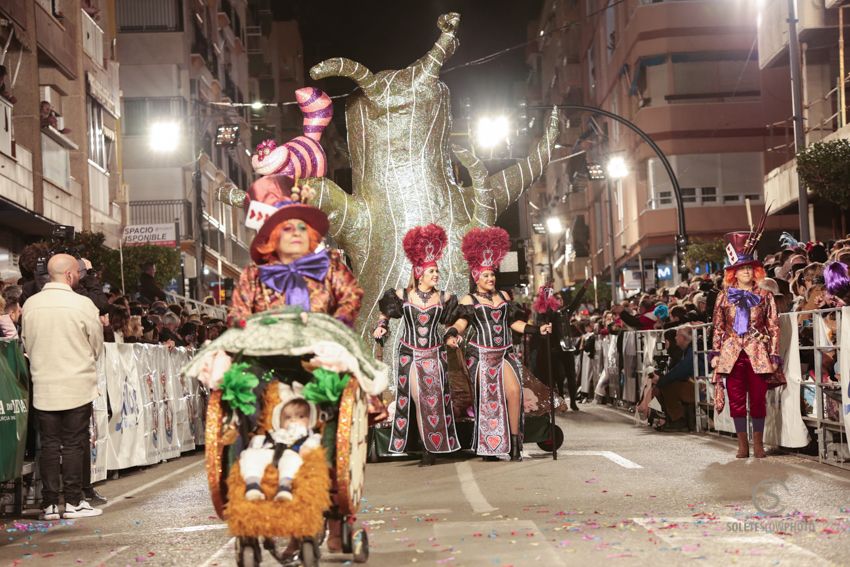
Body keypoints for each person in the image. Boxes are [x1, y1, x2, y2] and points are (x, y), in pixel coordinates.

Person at [226, 172, 365, 553]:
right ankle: (254, 499)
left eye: (302, 227)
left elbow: (352, 295)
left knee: (334, 418)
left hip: (317, 360)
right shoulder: (254, 275)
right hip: (267, 362)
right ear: (272, 235)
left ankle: (333, 517)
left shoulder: (330, 265)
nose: (295, 233)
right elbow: (236, 315)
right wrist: (256, 326)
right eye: (287, 227)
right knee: (240, 400)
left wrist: (334, 324)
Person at [447, 227, 551, 462]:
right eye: (485, 275)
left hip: (504, 353)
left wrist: (537, 329)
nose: (490, 278)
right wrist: (452, 333)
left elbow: (514, 323)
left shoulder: (504, 297)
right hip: (481, 356)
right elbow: (462, 322)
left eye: (492, 274)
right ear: (476, 278)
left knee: (514, 392)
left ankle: (515, 445)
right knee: (488, 401)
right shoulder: (469, 300)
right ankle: (490, 447)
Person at [21, 254, 104, 520]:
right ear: (69, 275)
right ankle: (73, 501)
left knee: (48, 444)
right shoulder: (83, 304)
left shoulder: (31, 304)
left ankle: (48, 505)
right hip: (77, 383)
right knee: (73, 444)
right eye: (77, 272)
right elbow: (96, 345)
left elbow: (26, 344)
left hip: (44, 383)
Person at [373, 224, 460, 465]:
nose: (436, 275)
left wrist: (452, 335)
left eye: (437, 271)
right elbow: (385, 313)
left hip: (435, 356)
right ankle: (425, 448)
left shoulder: (445, 298)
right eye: (432, 271)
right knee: (419, 398)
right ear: (420, 272)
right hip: (409, 355)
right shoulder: (402, 295)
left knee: (433, 401)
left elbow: (453, 322)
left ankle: (431, 446)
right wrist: (381, 326)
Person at [711, 230, 783, 459]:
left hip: (758, 353)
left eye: (750, 268)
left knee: (759, 400)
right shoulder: (723, 296)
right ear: (734, 272)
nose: (746, 272)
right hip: (732, 354)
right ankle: (743, 444)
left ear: (756, 271)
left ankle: (759, 444)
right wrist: (715, 352)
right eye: (742, 268)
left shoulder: (765, 295)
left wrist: (773, 355)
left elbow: (773, 327)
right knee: (737, 400)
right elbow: (718, 327)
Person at [653, 327, 702, 433]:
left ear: (684, 338)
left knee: (667, 385)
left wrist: (662, 380)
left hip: (700, 387)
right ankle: (672, 419)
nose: (675, 338)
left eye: (677, 335)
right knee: (666, 383)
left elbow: (681, 370)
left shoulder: (692, 350)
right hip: (694, 383)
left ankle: (678, 420)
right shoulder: (687, 350)